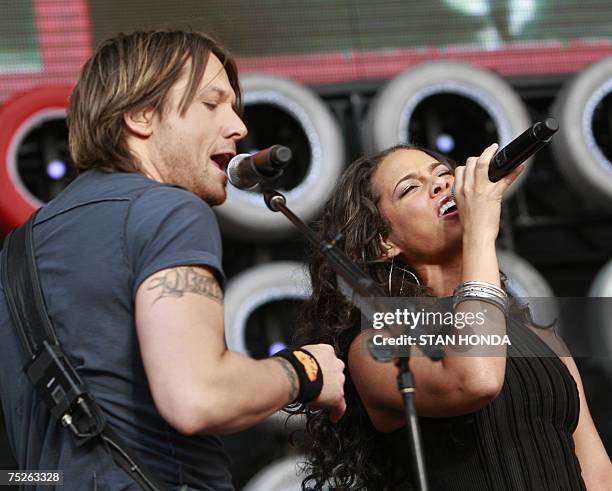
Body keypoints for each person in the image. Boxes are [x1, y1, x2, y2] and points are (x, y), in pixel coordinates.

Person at [0, 30, 346, 490]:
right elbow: (198, 396)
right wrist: (305, 371)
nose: (239, 127)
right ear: (141, 115)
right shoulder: (167, 210)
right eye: (212, 104)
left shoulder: (19, 247)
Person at [293, 144, 612, 490]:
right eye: (411, 187)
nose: (441, 186)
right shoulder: (378, 346)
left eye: (444, 175)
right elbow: (477, 379)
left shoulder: (543, 340)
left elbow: (596, 468)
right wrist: (479, 232)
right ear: (385, 242)